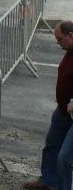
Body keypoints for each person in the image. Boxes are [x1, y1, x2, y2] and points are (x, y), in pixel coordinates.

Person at [24, 20, 73, 190]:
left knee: (65, 158)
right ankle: (48, 181)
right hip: (62, 111)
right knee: (52, 146)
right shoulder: (70, 50)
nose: (57, 43)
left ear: (71, 36)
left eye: (59, 39)